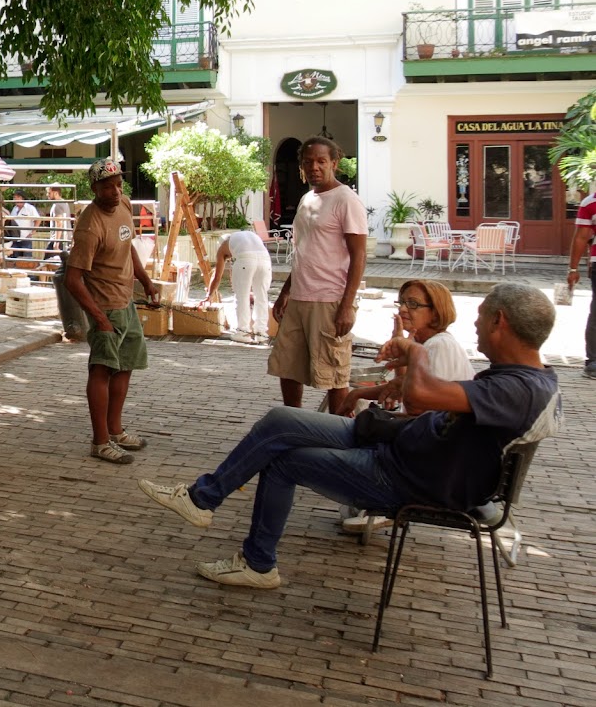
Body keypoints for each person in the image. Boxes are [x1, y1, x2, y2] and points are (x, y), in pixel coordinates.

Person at [138, 283, 560, 590]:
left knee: (284, 458)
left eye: (483, 315)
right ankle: (202, 500)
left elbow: (421, 395)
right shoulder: (532, 381)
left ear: (500, 322)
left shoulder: (517, 389)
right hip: (400, 446)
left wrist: (412, 349)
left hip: (405, 476)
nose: (476, 322)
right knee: (279, 420)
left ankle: (255, 560)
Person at [334, 279, 472, 533]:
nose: (404, 309)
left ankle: (380, 499)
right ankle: (370, 499)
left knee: (362, 428)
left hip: (438, 449)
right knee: (365, 413)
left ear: (435, 312)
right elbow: (402, 387)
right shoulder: (427, 344)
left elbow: (416, 406)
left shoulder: (439, 346)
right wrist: (358, 393)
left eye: (414, 304)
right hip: (432, 434)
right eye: (402, 302)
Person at [66, 158, 161, 464]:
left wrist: (145, 281)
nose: (115, 191)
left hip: (126, 302)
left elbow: (128, 245)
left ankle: (116, 430)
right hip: (105, 306)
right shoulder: (89, 227)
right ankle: (100, 441)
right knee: (102, 369)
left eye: (119, 185)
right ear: (95, 189)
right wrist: (99, 317)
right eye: (108, 187)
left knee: (125, 366)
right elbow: (73, 279)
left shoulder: (124, 206)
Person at [270, 137, 368, 413]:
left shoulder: (346, 200)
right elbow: (303, 251)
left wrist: (346, 306)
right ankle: (294, 421)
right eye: (308, 162)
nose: (314, 167)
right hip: (300, 297)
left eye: (321, 161)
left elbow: (359, 256)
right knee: (287, 366)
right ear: (301, 166)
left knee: (333, 373)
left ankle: (338, 432)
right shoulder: (307, 199)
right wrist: (285, 292)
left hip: (330, 299)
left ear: (334, 163)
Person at [205, 228, 273, 339]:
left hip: (246, 260)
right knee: (262, 296)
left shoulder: (223, 247)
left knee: (242, 297)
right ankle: (261, 332)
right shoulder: (248, 235)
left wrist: (209, 295)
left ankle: (243, 332)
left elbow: (217, 277)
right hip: (265, 260)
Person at [565, 182, 596, 379]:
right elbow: (581, 237)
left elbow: (582, 238)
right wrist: (573, 268)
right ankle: (593, 361)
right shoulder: (590, 203)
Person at [7, 191, 40, 259]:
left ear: (22, 198)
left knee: (26, 259)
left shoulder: (30, 208)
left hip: (26, 238)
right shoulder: (14, 209)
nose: (15, 199)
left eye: (17, 197)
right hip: (15, 239)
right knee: (14, 258)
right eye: (14, 198)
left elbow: (38, 219)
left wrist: (33, 231)